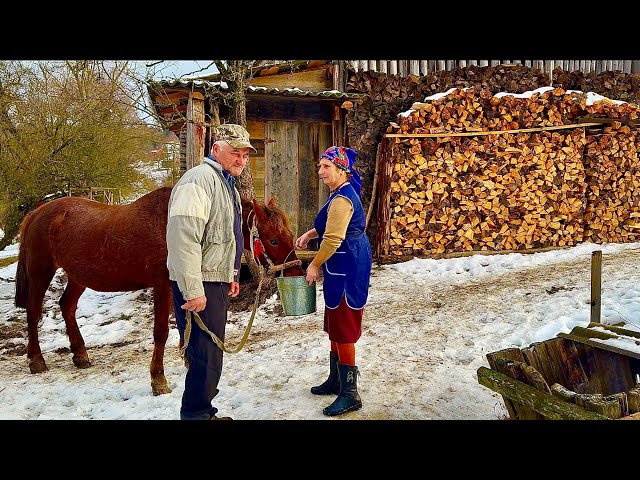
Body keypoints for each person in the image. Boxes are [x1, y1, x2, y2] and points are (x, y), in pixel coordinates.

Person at [166, 124, 255, 420]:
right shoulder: (198, 181)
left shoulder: (225, 182)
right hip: (199, 282)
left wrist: (230, 273)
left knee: (210, 353)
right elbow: (184, 238)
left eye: (245, 154)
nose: (241, 159)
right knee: (204, 354)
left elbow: (224, 235)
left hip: (212, 279)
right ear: (216, 149)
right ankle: (196, 415)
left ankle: (202, 411)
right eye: (235, 153)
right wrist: (193, 290)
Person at [295, 146, 372, 416]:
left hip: (347, 265)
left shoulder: (342, 198)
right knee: (335, 324)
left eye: (326, 167)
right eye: (320, 166)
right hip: (341, 262)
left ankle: (350, 393)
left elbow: (333, 238)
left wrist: (314, 264)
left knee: (344, 326)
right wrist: (309, 233)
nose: (320, 172)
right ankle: (336, 380)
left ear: (342, 169)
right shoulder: (339, 193)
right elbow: (331, 226)